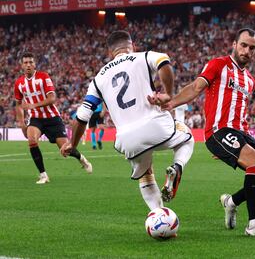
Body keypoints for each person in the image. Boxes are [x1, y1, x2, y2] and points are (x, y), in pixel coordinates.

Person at [151, 28, 255, 238]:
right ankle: (254, 224)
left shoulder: (250, 80)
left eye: (252, 48)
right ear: (235, 44)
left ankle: (231, 202)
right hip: (219, 130)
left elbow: (241, 109)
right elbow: (196, 87)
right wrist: (171, 101)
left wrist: (237, 144)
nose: (247, 51)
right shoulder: (219, 64)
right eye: (243, 45)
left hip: (241, 132)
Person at [60, 31, 194, 211]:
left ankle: (158, 215)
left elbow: (82, 116)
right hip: (156, 125)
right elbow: (164, 61)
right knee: (187, 136)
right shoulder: (143, 56)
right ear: (133, 46)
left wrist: (72, 144)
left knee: (145, 175)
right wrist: (168, 93)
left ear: (110, 53)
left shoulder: (98, 79)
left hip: (126, 139)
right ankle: (177, 167)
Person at [14, 52, 92, 184]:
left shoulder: (43, 77)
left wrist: (33, 105)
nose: (28, 65)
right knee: (32, 141)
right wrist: (21, 123)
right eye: (26, 62)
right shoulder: (19, 83)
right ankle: (43, 175)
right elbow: (18, 104)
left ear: (35, 64)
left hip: (52, 118)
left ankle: (82, 159)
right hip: (35, 118)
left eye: (31, 62)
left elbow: (52, 98)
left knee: (66, 149)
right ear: (21, 65)